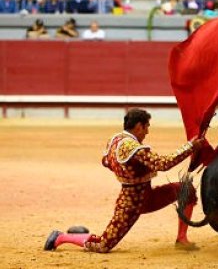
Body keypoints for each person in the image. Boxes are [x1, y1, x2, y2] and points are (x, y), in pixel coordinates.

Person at [44, 108, 205, 253]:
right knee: (102, 245)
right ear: (138, 126)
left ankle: (181, 238)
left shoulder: (115, 140)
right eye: (146, 127)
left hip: (147, 195)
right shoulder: (131, 147)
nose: (147, 132)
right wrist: (189, 147)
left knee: (186, 189)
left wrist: (128, 172)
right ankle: (61, 237)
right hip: (130, 204)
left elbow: (105, 161)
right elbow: (163, 164)